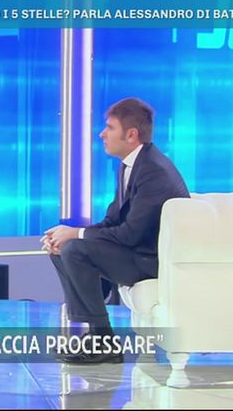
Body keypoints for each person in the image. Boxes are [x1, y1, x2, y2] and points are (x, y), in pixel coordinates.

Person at [42, 98, 189, 364]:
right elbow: (112, 221)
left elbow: (130, 234)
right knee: (63, 249)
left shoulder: (154, 171)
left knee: (75, 249)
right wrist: (68, 233)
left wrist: (76, 236)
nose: (102, 134)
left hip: (152, 260)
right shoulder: (130, 165)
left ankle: (104, 341)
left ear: (131, 135)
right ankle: (96, 331)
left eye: (109, 128)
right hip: (135, 252)